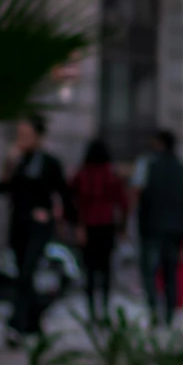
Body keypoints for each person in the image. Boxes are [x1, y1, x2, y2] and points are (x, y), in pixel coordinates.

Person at [0, 114, 70, 344]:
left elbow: (64, 194)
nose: (22, 140)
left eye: (26, 135)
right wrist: (8, 166)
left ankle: (16, 324)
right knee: (22, 275)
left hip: (38, 226)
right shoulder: (18, 161)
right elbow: (1, 188)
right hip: (19, 224)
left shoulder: (49, 163)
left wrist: (52, 215)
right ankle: (33, 321)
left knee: (27, 271)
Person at [135, 130, 183, 325]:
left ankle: (153, 311)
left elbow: (136, 191)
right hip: (176, 229)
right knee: (170, 272)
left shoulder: (147, 165)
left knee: (150, 272)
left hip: (152, 227)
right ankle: (168, 314)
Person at [72, 138, 130, 323]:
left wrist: (77, 225)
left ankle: (91, 310)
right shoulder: (112, 175)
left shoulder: (82, 174)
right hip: (106, 226)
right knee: (105, 271)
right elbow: (123, 203)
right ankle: (104, 308)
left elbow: (72, 200)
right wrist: (122, 227)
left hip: (88, 226)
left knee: (89, 271)